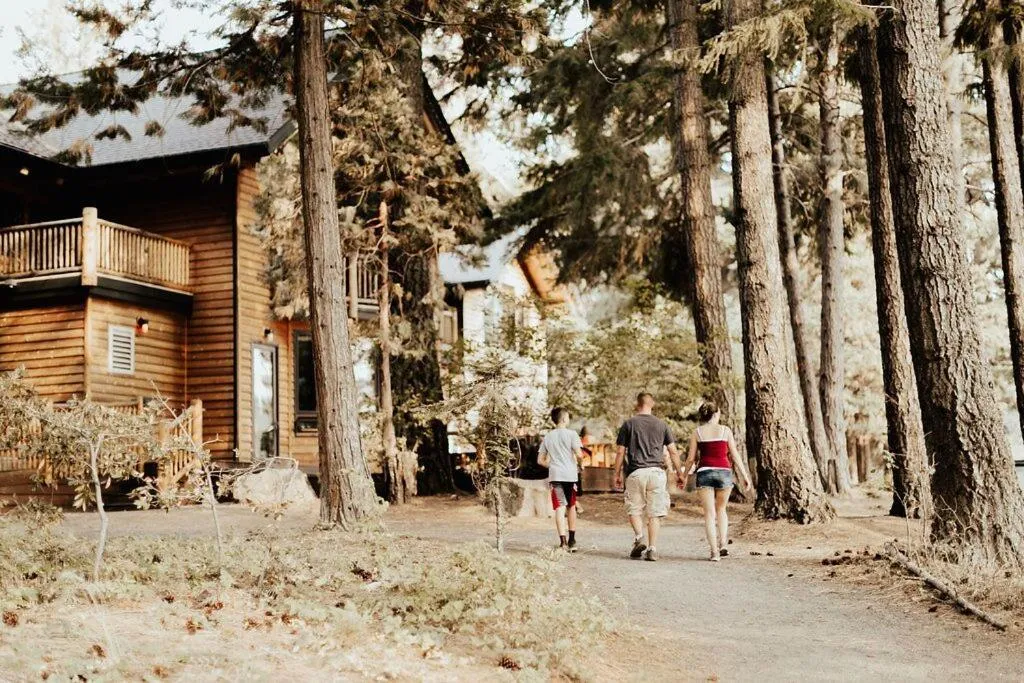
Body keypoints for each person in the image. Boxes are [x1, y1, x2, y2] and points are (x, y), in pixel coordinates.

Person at [613, 393, 686, 561]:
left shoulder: (629, 424)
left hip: (636, 473)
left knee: (634, 509)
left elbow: (620, 452)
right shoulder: (662, 425)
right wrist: (679, 473)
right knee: (654, 513)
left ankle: (639, 537)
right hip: (656, 474)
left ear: (637, 404)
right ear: (652, 404)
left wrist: (616, 474)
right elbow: (673, 451)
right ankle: (652, 549)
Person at [683, 401, 753, 562]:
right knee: (721, 509)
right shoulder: (725, 430)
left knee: (709, 514)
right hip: (724, 472)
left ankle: (714, 552)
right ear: (715, 414)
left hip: (704, 472)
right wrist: (745, 476)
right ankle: (723, 544)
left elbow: (691, 458)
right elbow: (734, 454)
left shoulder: (697, 432)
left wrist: (684, 475)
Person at [538, 406, 583, 551]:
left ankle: (563, 542)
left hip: (555, 476)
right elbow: (579, 454)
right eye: (568, 417)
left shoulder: (548, 437)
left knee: (559, 507)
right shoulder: (572, 434)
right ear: (564, 418)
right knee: (571, 506)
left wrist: (552, 466)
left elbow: (540, 460)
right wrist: (580, 465)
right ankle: (572, 541)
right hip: (570, 475)